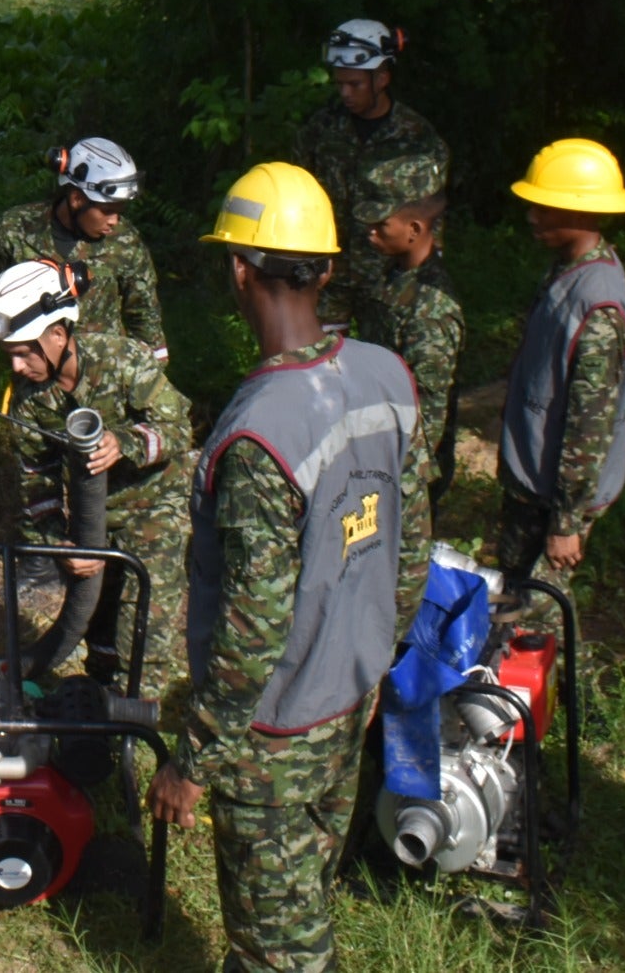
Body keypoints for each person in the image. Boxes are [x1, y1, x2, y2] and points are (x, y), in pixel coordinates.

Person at [148, 162, 416, 973]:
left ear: (239, 268)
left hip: (276, 727)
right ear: (327, 267)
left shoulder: (262, 432)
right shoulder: (383, 373)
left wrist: (194, 761)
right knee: (304, 892)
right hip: (352, 696)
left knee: (279, 945)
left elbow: (253, 623)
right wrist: (379, 660)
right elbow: (411, 545)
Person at [0, 257, 193, 683]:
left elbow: (180, 429)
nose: (17, 367)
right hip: (92, 522)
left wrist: (126, 442)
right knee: (99, 635)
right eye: (10, 356)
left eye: (24, 353)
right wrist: (62, 545)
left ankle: (140, 736)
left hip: (155, 511)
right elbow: (36, 485)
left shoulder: (124, 360)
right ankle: (96, 718)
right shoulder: (31, 401)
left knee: (143, 639)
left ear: (59, 335)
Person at [495, 138, 625, 611]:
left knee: (536, 617)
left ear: (581, 213)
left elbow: (590, 426)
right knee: (512, 598)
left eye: (544, 208)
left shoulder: (597, 308)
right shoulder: (569, 270)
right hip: (535, 484)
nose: (532, 217)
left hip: (556, 499)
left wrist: (566, 523)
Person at [0, 138, 167, 400]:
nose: (114, 221)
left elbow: (145, 314)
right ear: (77, 198)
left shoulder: (125, 244)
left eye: (119, 211)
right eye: (106, 211)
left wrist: (152, 382)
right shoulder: (16, 230)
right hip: (35, 382)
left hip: (105, 383)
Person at [295, 19, 450, 334]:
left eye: (355, 84)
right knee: (319, 370)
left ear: (381, 78)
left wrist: (423, 280)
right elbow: (300, 194)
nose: (345, 94)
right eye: (339, 84)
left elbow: (431, 215)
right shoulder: (320, 130)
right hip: (329, 277)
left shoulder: (417, 138)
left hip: (385, 283)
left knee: (379, 370)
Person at [359, 168, 465, 622]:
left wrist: (403, 481)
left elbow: (429, 408)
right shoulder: (392, 275)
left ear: (415, 230)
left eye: (382, 225)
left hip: (404, 465)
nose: (371, 233)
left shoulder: (432, 309)